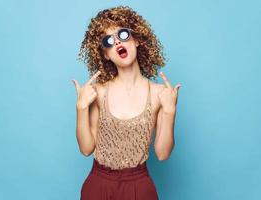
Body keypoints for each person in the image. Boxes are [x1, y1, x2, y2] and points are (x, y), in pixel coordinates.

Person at [72, 6, 182, 200]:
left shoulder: (159, 94)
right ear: (106, 54)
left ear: (137, 39)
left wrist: (170, 111)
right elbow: (86, 149)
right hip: (99, 185)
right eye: (108, 41)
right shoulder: (99, 92)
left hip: (139, 186)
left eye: (123, 34)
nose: (117, 42)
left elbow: (163, 154)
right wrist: (81, 108)